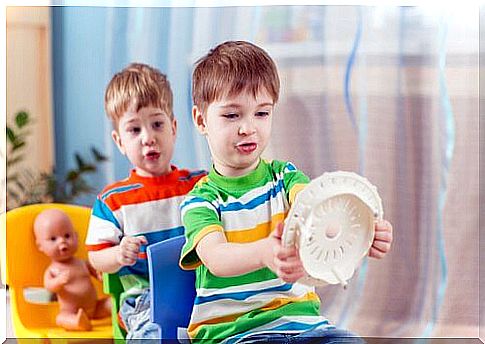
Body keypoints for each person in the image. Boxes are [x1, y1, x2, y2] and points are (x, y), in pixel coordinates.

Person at [179, 41, 393, 343]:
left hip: (305, 325)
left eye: (261, 113)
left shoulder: (286, 177)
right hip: (236, 333)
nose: (248, 128)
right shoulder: (201, 200)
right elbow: (216, 257)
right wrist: (263, 252)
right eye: (232, 116)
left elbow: (323, 217)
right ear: (201, 120)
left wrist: (363, 234)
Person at [85, 63, 206, 341]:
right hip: (144, 298)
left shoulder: (198, 185)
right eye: (134, 130)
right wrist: (117, 255)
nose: (148, 138)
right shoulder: (113, 201)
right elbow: (95, 257)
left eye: (157, 124)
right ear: (119, 141)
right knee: (153, 335)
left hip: (200, 290)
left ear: (173, 128)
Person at [34, 208, 111, 331]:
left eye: (67, 235)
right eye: (53, 239)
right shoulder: (53, 270)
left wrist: (100, 275)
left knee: (111, 303)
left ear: (76, 236)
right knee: (61, 318)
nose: (62, 241)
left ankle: (122, 317)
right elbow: (48, 286)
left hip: (95, 307)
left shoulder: (83, 263)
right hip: (71, 311)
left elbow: (97, 272)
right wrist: (58, 282)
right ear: (40, 246)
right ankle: (77, 322)